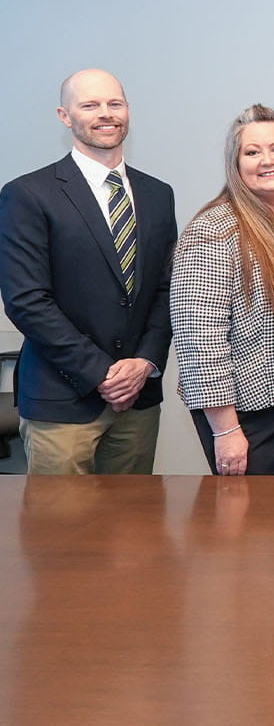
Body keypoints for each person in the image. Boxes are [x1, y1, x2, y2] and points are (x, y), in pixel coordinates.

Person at [0, 69, 177, 474]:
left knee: (133, 531)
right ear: (65, 116)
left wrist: (144, 363)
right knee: (61, 534)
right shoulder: (28, 194)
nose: (105, 114)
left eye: (115, 103)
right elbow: (27, 301)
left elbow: (167, 290)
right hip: (62, 400)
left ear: (127, 110)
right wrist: (101, 373)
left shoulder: (157, 193)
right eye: (90, 105)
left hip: (138, 398)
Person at [171, 105, 274, 475]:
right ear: (236, 162)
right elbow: (199, 338)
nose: (267, 160)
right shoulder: (214, 230)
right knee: (257, 528)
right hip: (251, 417)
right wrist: (226, 429)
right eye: (252, 152)